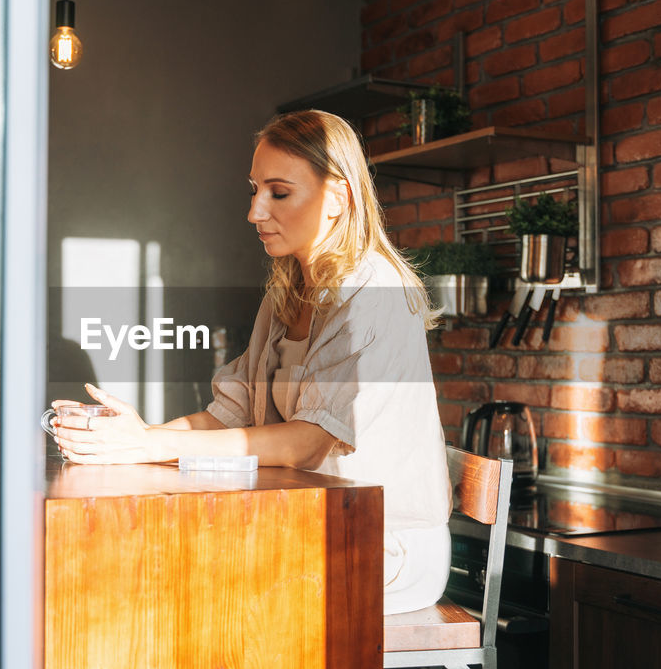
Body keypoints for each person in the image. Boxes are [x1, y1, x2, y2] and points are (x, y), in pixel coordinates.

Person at [52, 109, 452, 614]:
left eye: (278, 193)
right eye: (254, 190)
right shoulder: (287, 293)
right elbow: (230, 413)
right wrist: (131, 444)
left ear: (337, 198)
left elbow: (306, 444)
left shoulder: (372, 293)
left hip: (382, 543)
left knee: (188, 586)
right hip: (310, 521)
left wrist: (150, 444)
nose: (255, 212)